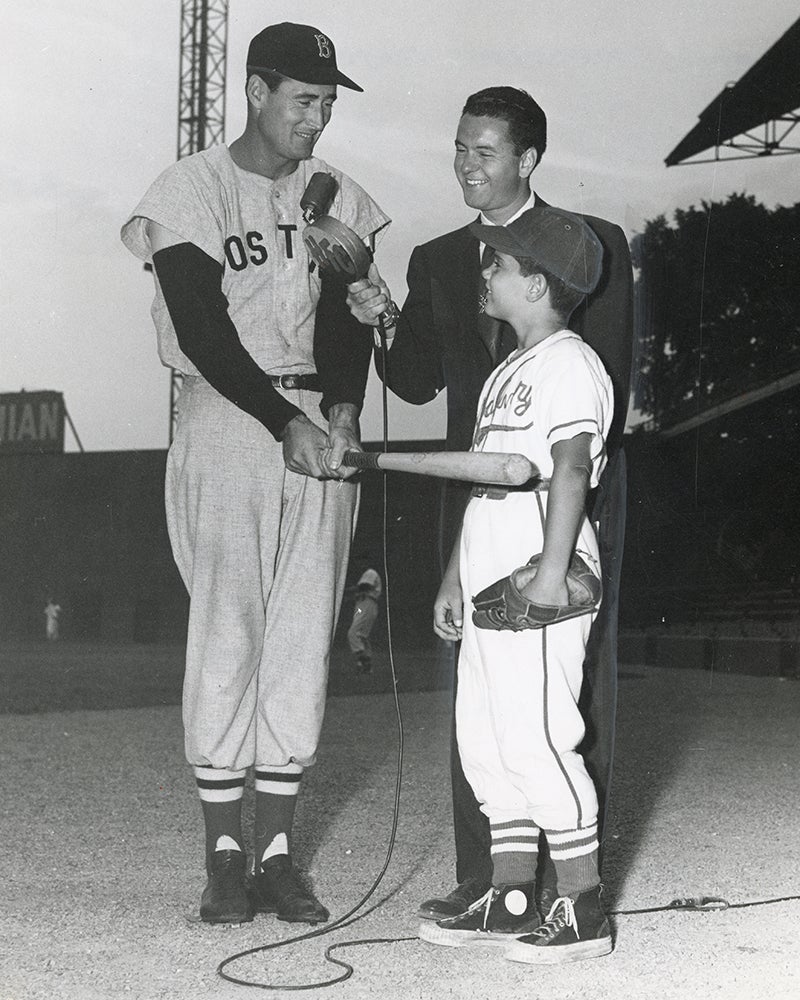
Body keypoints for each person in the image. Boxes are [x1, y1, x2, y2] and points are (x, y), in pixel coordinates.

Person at [121, 22, 389, 926]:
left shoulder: (337, 194)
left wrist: (343, 407)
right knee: (229, 628)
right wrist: (283, 422)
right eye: (303, 100)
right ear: (256, 89)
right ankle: (223, 856)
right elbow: (200, 328)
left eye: (326, 104)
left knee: (304, 630)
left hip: (317, 417)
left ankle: (277, 853)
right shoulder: (189, 189)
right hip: (231, 415)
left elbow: (350, 318)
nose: (317, 119)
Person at [347, 87, 633, 920]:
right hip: (479, 521)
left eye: (485, 151)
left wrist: (571, 536)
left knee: (559, 711)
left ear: (528, 158)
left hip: (553, 515)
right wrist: (383, 322)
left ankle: (576, 890)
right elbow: (411, 380)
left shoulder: (592, 247)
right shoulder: (440, 260)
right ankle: (498, 884)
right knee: (484, 717)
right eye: (460, 148)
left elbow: (594, 398)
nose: (467, 164)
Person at [420, 205, 614, 962]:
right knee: (486, 736)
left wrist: (553, 573)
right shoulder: (508, 370)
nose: (486, 272)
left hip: (541, 557)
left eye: (496, 263)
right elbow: (484, 488)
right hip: (491, 555)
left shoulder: (571, 363)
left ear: (536, 283)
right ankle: (508, 895)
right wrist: (453, 578)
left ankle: (582, 904)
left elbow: (568, 471)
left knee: (538, 733)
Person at [346, 567, 382, 673]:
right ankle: (365, 666)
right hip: (364, 605)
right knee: (362, 635)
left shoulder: (370, 572)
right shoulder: (364, 576)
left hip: (367, 605)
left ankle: (363, 660)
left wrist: (343, 590)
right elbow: (362, 589)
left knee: (353, 633)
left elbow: (364, 586)